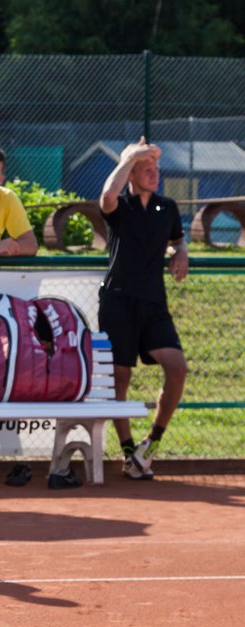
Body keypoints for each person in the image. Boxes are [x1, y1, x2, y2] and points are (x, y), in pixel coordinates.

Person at [98, 137, 189, 480]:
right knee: (120, 377)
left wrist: (181, 250)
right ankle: (126, 453)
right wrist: (129, 157)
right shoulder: (120, 205)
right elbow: (106, 197)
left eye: (156, 168)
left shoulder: (168, 207)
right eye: (145, 169)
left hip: (154, 303)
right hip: (117, 302)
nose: (154, 174)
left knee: (177, 368)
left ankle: (150, 445)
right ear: (130, 175)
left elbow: (177, 238)